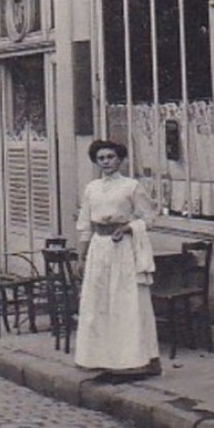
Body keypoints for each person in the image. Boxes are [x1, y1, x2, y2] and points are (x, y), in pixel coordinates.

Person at [73, 139, 161, 378]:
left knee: (126, 301)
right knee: (100, 303)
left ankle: (135, 360)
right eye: (101, 158)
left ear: (119, 159)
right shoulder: (91, 188)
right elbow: (84, 224)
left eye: (110, 157)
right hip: (99, 250)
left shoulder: (131, 186)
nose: (106, 162)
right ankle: (103, 359)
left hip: (122, 248)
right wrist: (81, 256)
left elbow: (150, 218)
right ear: (96, 161)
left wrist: (130, 227)